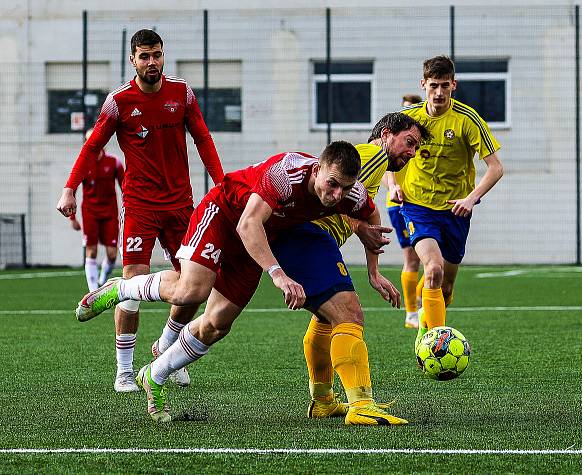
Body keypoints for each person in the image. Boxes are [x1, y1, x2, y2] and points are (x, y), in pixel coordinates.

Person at [76, 141, 408, 426]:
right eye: (331, 184)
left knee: (217, 324)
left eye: (343, 188)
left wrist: (374, 271)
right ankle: (122, 288)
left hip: (262, 238)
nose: (335, 195)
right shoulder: (287, 173)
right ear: (317, 169)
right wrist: (279, 275)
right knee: (191, 291)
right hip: (224, 215)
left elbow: (370, 217)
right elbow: (248, 224)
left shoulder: (349, 192)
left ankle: (154, 374)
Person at [56, 29, 224, 392]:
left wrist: (222, 183)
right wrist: (70, 188)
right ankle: (124, 371)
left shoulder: (182, 94)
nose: (152, 62)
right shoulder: (118, 102)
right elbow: (91, 148)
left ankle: (165, 349)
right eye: (145, 56)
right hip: (140, 207)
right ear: (132, 59)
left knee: (194, 287)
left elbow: (203, 139)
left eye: (157, 55)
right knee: (132, 287)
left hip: (181, 205)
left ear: (164, 56)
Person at [306, 113, 430, 419]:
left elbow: (367, 216)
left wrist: (373, 271)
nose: (412, 153)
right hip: (309, 237)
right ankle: (361, 406)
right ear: (386, 134)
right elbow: (332, 196)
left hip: (315, 240)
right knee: (349, 313)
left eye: (416, 148)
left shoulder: (374, 164)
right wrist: (359, 230)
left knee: (327, 318)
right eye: (409, 143)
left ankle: (322, 401)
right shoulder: (372, 156)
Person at [391, 55, 504, 348]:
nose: (439, 93)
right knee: (433, 269)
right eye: (433, 86)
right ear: (423, 85)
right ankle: (434, 343)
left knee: (447, 286)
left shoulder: (467, 120)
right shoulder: (408, 120)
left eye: (444, 85)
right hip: (418, 206)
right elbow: (384, 153)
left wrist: (471, 198)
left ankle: (426, 320)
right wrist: (392, 185)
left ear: (453, 85)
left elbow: (496, 167)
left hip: (456, 210)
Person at [382, 95, 425, 329]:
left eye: (413, 110)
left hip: (423, 203)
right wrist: (393, 187)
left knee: (435, 260)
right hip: (399, 204)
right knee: (412, 259)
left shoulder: (417, 141)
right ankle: (411, 313)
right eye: (405, 110)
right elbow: (388, 168)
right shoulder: (396, 140)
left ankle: (418, 295)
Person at [68, 128, 124, 292]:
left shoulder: (114, 162)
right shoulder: (84, 164)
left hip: (110, 213)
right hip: (90, 213)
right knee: (91, 251)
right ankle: (93, 291)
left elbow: (126, 187)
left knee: (112, 254)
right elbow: (71, 191)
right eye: (88, 140)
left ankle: (101, 281)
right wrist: (72, 218)